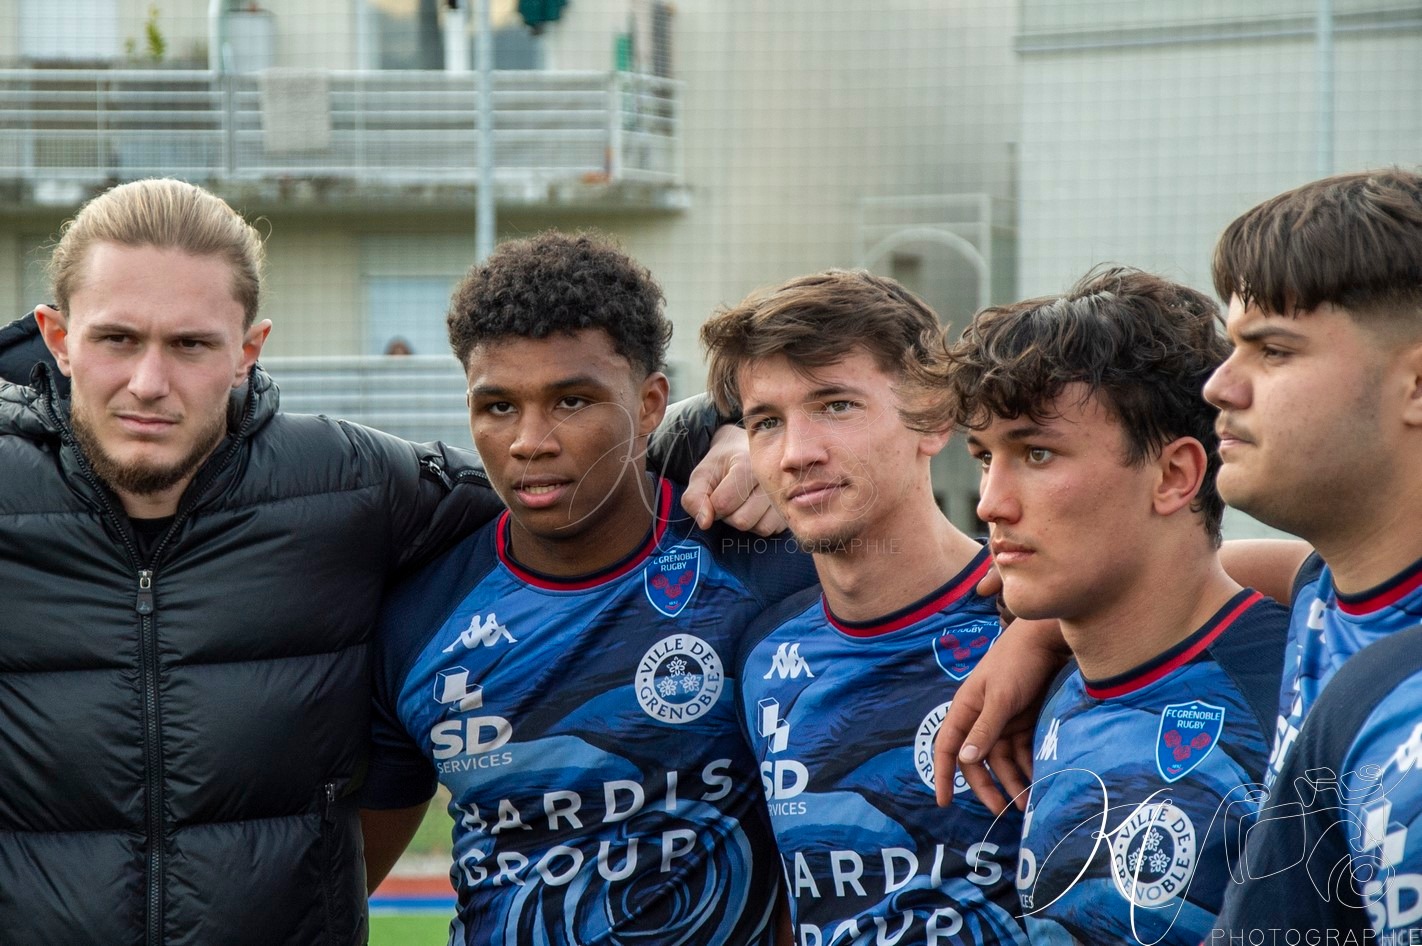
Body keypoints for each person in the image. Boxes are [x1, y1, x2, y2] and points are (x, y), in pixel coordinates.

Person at [0, 179, 762, 946]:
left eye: (190, 343)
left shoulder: (355, 485)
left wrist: (733, 431)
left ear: (248, 351)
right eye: (117, 339)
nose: (149, 383)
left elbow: (568, 487)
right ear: (58, 338)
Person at [357, 232, 818, 945]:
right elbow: (343, 882)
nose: (530, 440)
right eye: (499, 406)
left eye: (572, 402)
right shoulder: (419, 616)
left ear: (651, 403)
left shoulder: (767, 565)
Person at [921, 267, 1289, 943]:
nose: (988, 503)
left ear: (1174, 475)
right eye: (983, 457)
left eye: (1036, 452)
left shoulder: (1296, 694)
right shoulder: (1053, 683)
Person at [700, 270, 1028, 945]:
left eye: (836, 406)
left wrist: (1053, 623)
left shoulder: (1037, 624)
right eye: (767, 422)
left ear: (934, 418)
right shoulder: (763, 656)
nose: (797, 453)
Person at [1201, 170, 1422, 936]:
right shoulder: (1332, 583)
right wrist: (1038, 626)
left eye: (1272, 351)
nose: (1220, 386)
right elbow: (1235, 569)